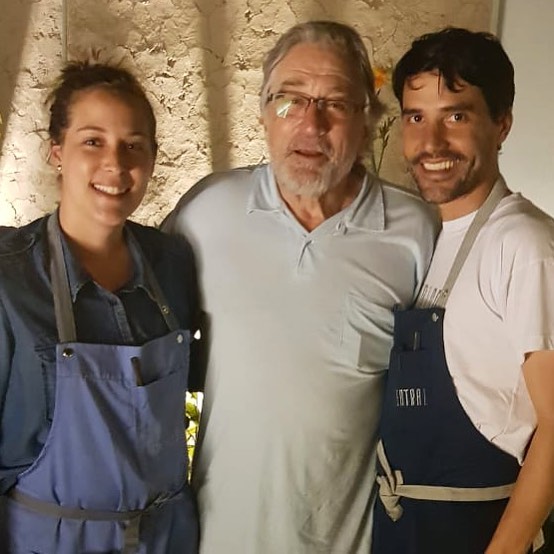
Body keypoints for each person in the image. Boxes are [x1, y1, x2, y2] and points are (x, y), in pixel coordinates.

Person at [163, 20, 437, 554]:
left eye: (335, 103)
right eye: (290, 100)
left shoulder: (414, 234)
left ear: (366, 119)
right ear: (264, 112)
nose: (311, 124)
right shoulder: (208, 211)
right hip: (221, 538)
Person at [0, 61, 199, 552]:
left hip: (166, 537)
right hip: (50, 539)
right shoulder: (10, 278)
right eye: (93, 141)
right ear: (57, 152)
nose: (116, 163)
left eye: (134, 145)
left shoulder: (172, 263)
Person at [372, 27, 554, 554]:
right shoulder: (437, 239)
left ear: (501, 124)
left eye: (456, 116)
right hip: (408, 529)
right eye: (415, 117)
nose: (430, 144)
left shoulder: (525, 245)